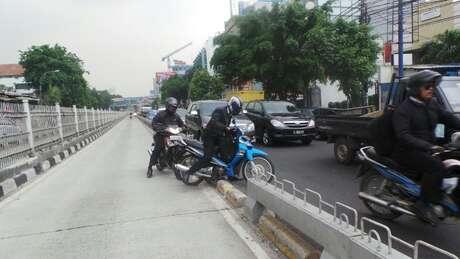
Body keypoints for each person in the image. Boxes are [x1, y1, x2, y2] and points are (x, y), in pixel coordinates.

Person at [391, 70, 460, 225]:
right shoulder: (403, 110)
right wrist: (430, 146)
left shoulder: (432, 104)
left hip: (427, 149)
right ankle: (422, 204)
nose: (431, 89)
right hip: (407, 151)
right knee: (436, 167)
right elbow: (403, 136)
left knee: (453, 161)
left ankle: (444, 198)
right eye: (427, 86)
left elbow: (449, 118)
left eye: (433, 86)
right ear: (416, 89)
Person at [182, 96, 243, 181]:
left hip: (218, 136)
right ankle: (190, 171)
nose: (238, 110)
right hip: (209, 136)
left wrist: (232, 130)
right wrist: (225, 128)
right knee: (208, 157)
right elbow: (214, 122)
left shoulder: (229, 113)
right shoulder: (220, 110)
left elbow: (226, 125)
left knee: (226, 152)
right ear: (233, 105)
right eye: (237, 108)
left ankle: (227, 174)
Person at [147, 97, 184, 178]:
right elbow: (154, 123)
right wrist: (162, 128)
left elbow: (182, 125)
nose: (173, 108)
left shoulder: (176, 116)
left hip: (173, 135)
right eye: (172, 107)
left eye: (174, 107)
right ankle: (150, 168)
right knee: (158, 149)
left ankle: (178, 167)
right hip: (161, 135)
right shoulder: (160, 114)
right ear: (167, 106)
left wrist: (182, 128)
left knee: (181, 147)